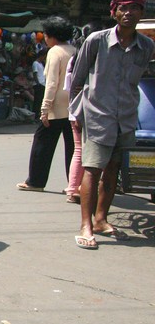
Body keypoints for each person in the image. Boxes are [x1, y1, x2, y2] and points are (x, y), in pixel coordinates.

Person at [70, 0, 154, 249]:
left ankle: (101, 219)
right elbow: (78, 79)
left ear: (141, 12)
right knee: (92, 170)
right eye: (123, 8)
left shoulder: (146, 46)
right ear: (114, 12)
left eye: (134, 8)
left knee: (113, 172)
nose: (128, 13)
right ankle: (85, 225)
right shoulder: (96, 40)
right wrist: (76, 113)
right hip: (97, 117)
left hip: (126, 118)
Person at [16, 16, 75, 192]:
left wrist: (45, 108)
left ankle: (36, 181)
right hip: (74, 105)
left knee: (42, 142)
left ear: (51, 35)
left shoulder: (55, 52)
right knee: (73, 148)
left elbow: (51, 83)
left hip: (57, 106)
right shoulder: (75, 50)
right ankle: (74, 185)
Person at [63, 22, 103, 204]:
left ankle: (74, 188)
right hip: (89, 111)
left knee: (80, 151)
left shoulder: (75, 57)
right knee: (83, 151)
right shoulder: (95, 58)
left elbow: (69, 87)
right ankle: (74, 188)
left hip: (78, 110)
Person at [31, 48, 46, 118]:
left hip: (43, 83)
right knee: (37, 100)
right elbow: (35, 73)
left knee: (41, 100)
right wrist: (38, 83)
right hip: (39, 84)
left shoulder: (41, 64)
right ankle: (35, 115)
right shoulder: (35, 63)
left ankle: (39, 114)